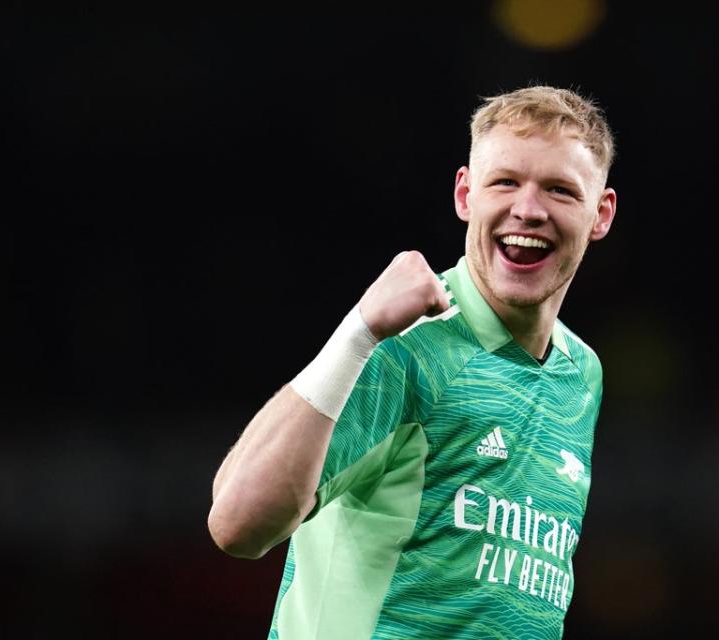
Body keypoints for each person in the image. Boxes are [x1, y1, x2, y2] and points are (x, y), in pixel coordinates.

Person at [208, 85, 617, 639]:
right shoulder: (405, 344)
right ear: (465, 195)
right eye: (505, 182)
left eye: (560, 190)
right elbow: (237, 524)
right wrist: (357, 334)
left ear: (601, 213)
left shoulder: (581, 375)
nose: (529, 208)